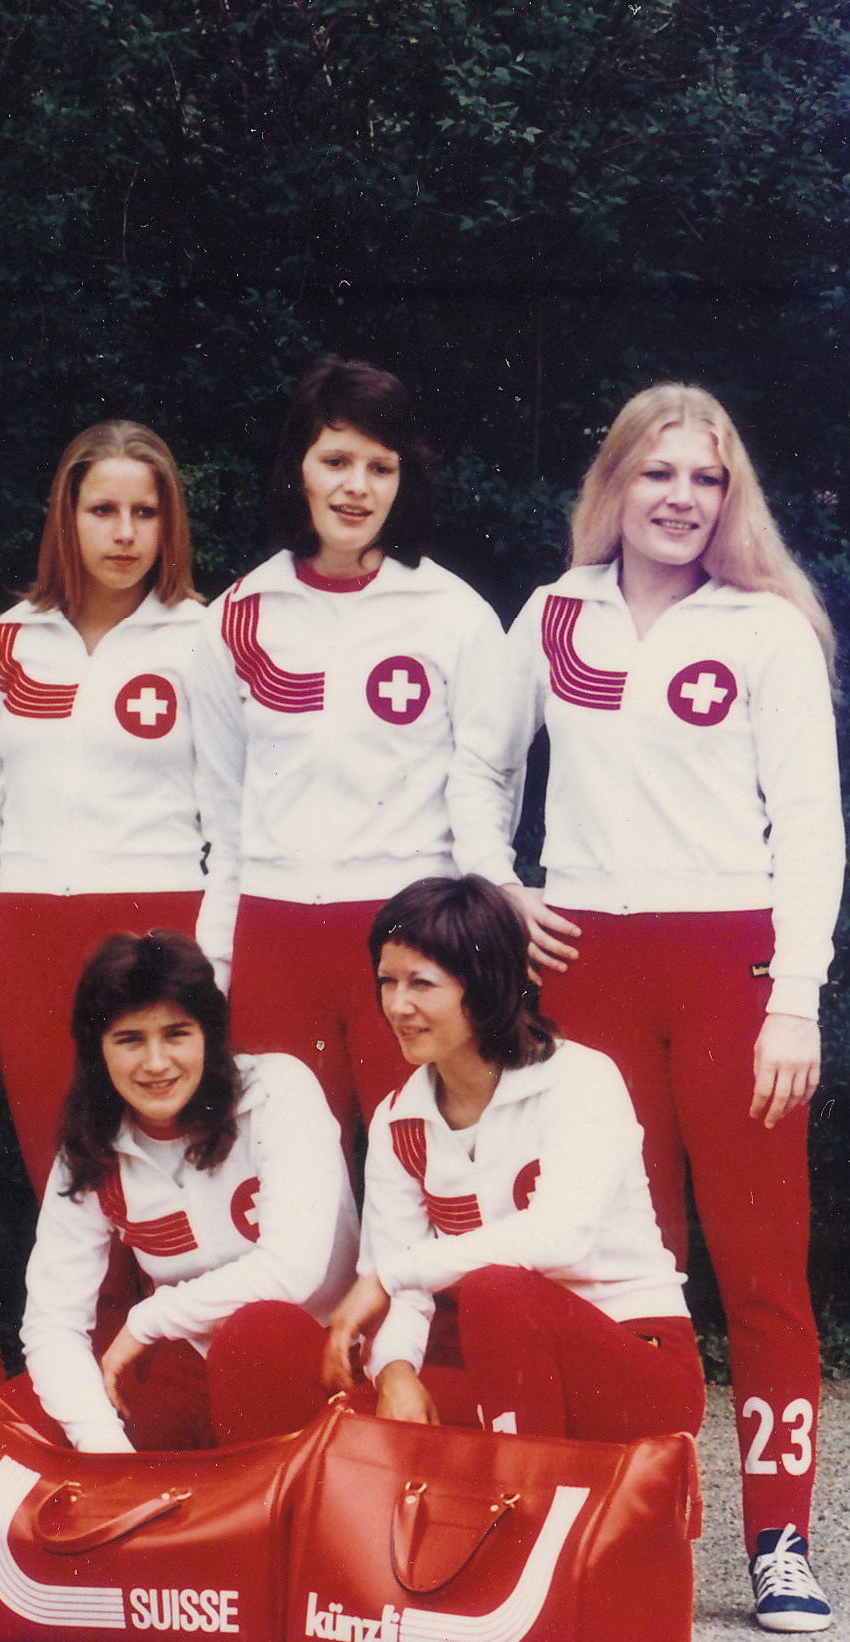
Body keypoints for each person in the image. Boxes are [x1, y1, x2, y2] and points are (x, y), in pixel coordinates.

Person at [481, 385, 843, 1630]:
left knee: (758, 1263)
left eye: (703, 478)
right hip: (584, 964)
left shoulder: (763, 629)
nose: (680, 498)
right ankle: (631, 1523)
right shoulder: (549, 617)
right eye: (657, 475)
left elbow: (806, 822)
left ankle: (778, 1534)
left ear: (726, 498)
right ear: (614, 488)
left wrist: (793, 995)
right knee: (619, 1258)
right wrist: (501, 885)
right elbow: (476, 771)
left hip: (730, 964)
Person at [306, 880, 717, 1565]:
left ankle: (531, 1553)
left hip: (631, 1362)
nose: (398, 1005)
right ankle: (418, 1561)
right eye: (386, 981)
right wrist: (397, 1370)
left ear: (484, 982)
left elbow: (556, 1236)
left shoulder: (579, 1080)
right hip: (507, 1370)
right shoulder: (399, 1119)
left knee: (497, 1290)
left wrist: (392, 1272)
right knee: (346, 1404)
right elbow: (398, 1281)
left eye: (422, 983)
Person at [188, 359, 529, 1137]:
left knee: (420, 1161)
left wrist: (479, 946)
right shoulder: (238, 616)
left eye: (381, 466)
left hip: (413, 937)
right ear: (295, 470)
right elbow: (223, 825)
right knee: (284, 1174)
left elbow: (486, 798)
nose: (357, 487)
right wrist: (216, 968)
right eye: (334, 460)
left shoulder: (454, 614)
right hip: (273, 937)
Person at [0, 419, 232, 1192]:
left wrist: (216, 967)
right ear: (65, 519)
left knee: (174, 1184)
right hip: (34, 939)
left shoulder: (205, 637)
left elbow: (234, 831)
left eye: (145, 512)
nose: (125, 534)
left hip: (161, 934)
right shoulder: (2, 641)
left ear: (170, 523)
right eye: (102, 510)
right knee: (65, 1181)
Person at [12, 931, 358, 1452]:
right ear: (97, 1050)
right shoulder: (91, 1144)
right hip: (193, 1362)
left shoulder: (279, 1090)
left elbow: (293, 1272)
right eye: (129, 1039)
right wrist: (105, 1449)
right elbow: (51, 1321)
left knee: (258, 1333)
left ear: (209, 1036)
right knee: (25, 1420)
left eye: (177, 1034)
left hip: (321, 1356)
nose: (156, 1063)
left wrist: (148, 1319)